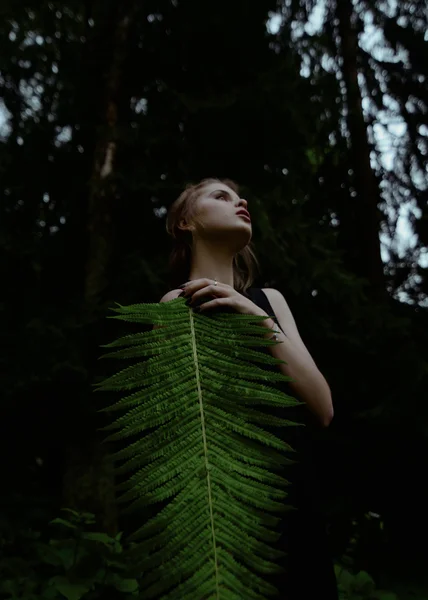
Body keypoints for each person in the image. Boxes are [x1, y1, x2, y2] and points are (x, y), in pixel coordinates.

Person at [161, 177, 339, 599]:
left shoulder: (270, 301)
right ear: (186, 222)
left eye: (241, 197)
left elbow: (323, 405)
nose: (240, 202)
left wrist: (254, 314)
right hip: (223, 499)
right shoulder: (176, 305)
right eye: (221, 196)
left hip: (292, 493)